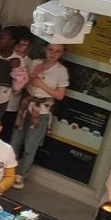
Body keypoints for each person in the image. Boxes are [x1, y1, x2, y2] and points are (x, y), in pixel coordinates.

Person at [11, 43, 68, 186]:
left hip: (41, 111)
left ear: (62, 53)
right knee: (15, 141)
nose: (53, 53)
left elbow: (60, 95)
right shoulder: (35, 63)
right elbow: (24, 84)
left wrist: (41, 85)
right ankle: (7, 170)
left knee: (31, 145)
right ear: (44, 50)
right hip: (26, 107)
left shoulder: (61, 71)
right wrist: (33, 74)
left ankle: (21, 174)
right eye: (50, 50)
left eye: (58, 51)